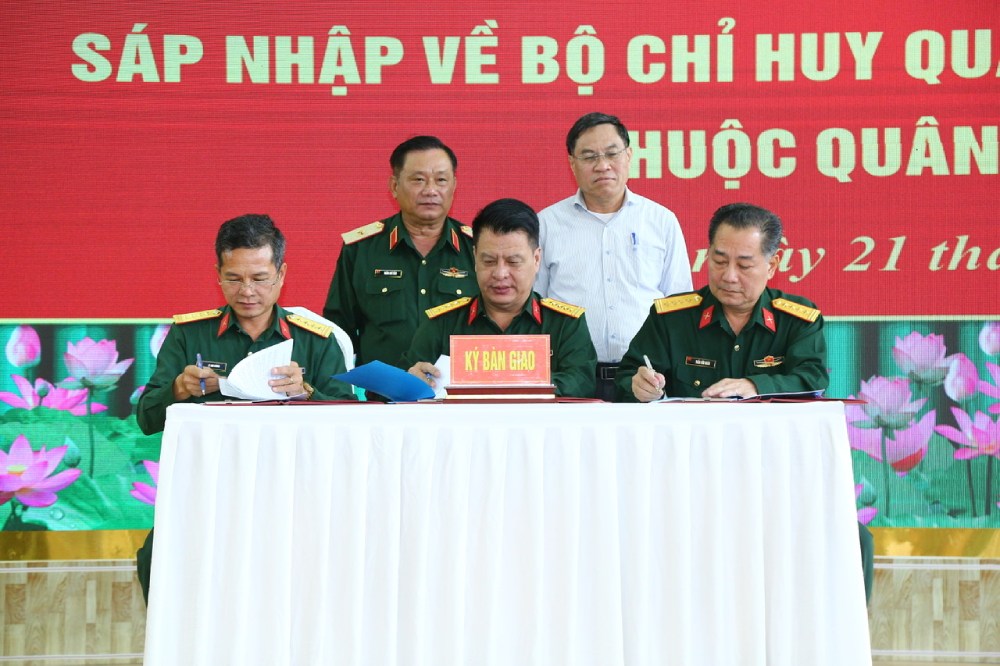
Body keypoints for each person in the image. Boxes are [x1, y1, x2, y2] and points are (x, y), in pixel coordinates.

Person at [615, 202, 875, 602]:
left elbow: (812, 378)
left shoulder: (798, 320)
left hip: (772, 479)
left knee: (855, 538)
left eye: (744, 264)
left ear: (774, 263)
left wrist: (754, 384)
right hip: (687, 482)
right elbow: (626, 376)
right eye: (718, 260)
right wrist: (638, 385)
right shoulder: (671, 319)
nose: (728, 276)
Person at [135, 214, 355, 604]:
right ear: (217, 274)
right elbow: (147, 418)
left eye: (260, 278)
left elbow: (349, 421)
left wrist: (307, 392)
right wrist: (178, 388)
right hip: (211, 488)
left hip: (294, 491)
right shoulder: (189, 335)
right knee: (157, 556)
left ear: (282, 274)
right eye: (234, 278)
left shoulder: (317, 341)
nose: (247, 291)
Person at [535, 112, 693, 401]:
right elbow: (535, 306)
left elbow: (678, 306)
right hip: (571, 379)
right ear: (572, 163)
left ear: (629, 155)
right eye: (589, 156)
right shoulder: (546, 224)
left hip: (644, 380)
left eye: (611, 153)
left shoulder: (661, 221)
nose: (603, 165)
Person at [403, 198, 597, 398]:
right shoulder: (442, 323)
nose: (500, 273)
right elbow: (405, 382)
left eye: (513, 262)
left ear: (536, 259)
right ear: (475, 258)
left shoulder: (565, 324)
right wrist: (410, 382)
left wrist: (501, 379)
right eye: (489, 261)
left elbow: (580, 383)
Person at [323, 135, 477, 378]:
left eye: (441, 180)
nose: (431, 190)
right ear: (394, 186)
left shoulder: (478, 249)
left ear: (454, 186)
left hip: (455, 395)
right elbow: (339, 333)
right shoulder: (361, 250)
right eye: (418, 180)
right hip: (381, 397)